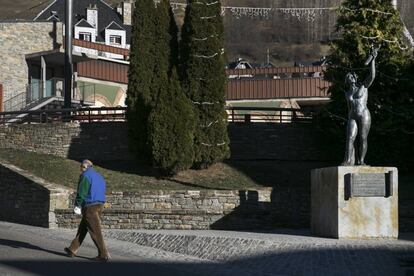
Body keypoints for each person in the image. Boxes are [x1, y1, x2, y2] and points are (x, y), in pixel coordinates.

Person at [64, 159, 110, 262]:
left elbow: (82, 191)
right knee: (83, 227)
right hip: (100, 204)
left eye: (81, 168)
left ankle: (103, 254)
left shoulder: (85, 176)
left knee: (95, 231)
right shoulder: (100, 176)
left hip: (90, 206)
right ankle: (72, 249)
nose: (80, 170)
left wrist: (77, 205)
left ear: (85, 167)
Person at [342, 47, 379, 166]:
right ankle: (348, 160)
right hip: (352, 116)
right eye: (349, 76)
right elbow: (349, 107)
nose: (351, 77)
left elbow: (372, 76)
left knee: (363, 138)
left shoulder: (363, 87)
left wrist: (373, 59)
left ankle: (361, 161)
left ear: (356, 78)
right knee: (350, 137)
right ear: (347, 80)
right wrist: (348, 119)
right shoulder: (347, 93)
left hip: (364, 114)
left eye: (352, 76)